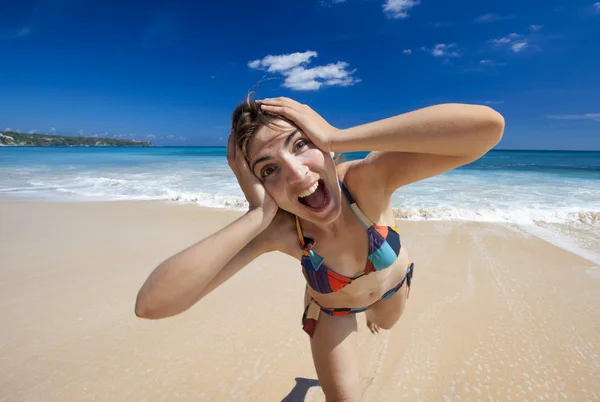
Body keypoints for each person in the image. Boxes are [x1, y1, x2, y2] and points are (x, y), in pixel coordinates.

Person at [135, 96, 505, 401]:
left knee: (385, 322)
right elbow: (153, 305)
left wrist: (336, 136)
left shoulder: (367, 181)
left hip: (391, 290)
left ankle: (373, 319)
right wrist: (255, 215)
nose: (297, 174)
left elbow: (487, 128)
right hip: (334, 311)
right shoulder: (278, 229)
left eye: (301, 145)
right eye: (268, 170)